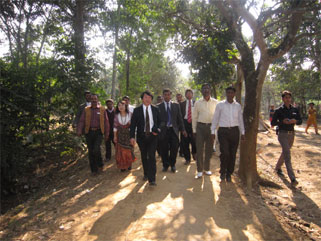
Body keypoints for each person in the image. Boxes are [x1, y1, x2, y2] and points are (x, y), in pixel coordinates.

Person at [211, 87, 245, 182]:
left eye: (231, 93)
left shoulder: (238, 106)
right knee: (225, 153)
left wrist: (242, 132)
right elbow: (215, 119)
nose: (230, 94)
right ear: (226, 94)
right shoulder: (220, 105)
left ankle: (229, 173)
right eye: (228, 92)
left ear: (234, 94)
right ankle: (222, 171)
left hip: (234, 131)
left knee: (233, 154)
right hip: (223, 132)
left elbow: (240, 120)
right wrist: (212, 131)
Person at [271, 90, 302, 186]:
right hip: (282, 134)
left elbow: (300, 121)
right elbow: (273, 123)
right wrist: (282, 122)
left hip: (291, 134)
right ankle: (292, 178)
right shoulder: (279, 110)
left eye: (289, 97)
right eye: (286, 98)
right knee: (287, 154)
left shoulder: (295, 110)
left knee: (285, 152)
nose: (288, 99)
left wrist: (295, 121)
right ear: (283, 99)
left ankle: (277, 168)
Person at [130, 90, 160, 186]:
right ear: (142, 99)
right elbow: (133, 125)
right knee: (144, 156)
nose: (147, 99)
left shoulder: (156, 109)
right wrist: (132, 137)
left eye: (149, 98)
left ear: (151, 99)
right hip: (141, 137)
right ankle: (146, 173)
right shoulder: (137, 110)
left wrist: (157, 130)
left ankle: (152, 179)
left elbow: (160, 122)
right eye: (145, 97)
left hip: (153, 136)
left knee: (151, 156)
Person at [77, 94, 110, 175]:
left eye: (95, 99)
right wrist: (79, 130)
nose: (94, 100)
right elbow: (81, 120)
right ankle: (93, 170)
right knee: (91, 151)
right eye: (92, 99)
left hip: (99, 132)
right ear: (90, 100)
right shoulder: (86, 109)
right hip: (89, 132)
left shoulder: (102, 109)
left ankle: (100, 164)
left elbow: (106, 122)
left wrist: (107, 134)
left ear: (98, 99)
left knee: (96, 149)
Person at [192, 83, 218, 179]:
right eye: (204, 89)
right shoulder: (198, 103)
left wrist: (215, 130)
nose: (206, 90)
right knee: (199, 149)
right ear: (201, 91)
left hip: (211, 128)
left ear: (210, 90)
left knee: (209, 149)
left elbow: (217, 117)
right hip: (200, 128)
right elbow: (194, 117)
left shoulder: (216, 102)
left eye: (207, 88)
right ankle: (199, 170)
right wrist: (194, 130)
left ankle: (207, 168)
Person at [158, 89, 187, 173]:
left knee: (174, 148)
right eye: (165, 95)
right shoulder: (158, 107)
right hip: (163, 131)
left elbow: (180, 119)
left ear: (170, 95)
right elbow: (157, 120)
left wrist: (183, 129)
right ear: (163, 96)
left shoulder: (176, 105)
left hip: (174, 130)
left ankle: (173, 164)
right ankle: (165, 165)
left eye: (168, 94)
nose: (166, 96)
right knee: (164, 149)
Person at [114, 100, 136, 172]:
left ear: (125, 106)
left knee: (129, 150)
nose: (121, 107)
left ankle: (129, 164)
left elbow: (134, 126)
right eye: (119, 105)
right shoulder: (116, 116)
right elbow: (115, 127)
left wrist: (133, 135)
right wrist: (115, 136)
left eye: (122, 105)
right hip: (120, 135)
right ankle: (122, 166)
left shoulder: (131, 114)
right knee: (121, 151)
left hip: (129, 135)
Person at [179, 89, 196, 165]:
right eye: (187, 93)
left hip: (193, 123)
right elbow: (179, 117)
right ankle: (187, 159)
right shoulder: (181, 104)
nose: (189, 95)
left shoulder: (196, 103)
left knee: (194, 141)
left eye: (190, 93)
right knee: (185, 142)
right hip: (184, 123)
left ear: (192, 95)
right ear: (185, 95)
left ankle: (194, 154)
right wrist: (182, 128)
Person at [176, 93, 184, 157]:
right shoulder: (174, 105)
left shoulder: (184, 104)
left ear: (182, 98)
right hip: (176, 125)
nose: (179, 98)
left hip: (182, 124)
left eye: (180, 97)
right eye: (177, 97)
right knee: (176, 138)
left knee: (182, 138)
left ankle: (181, 151)